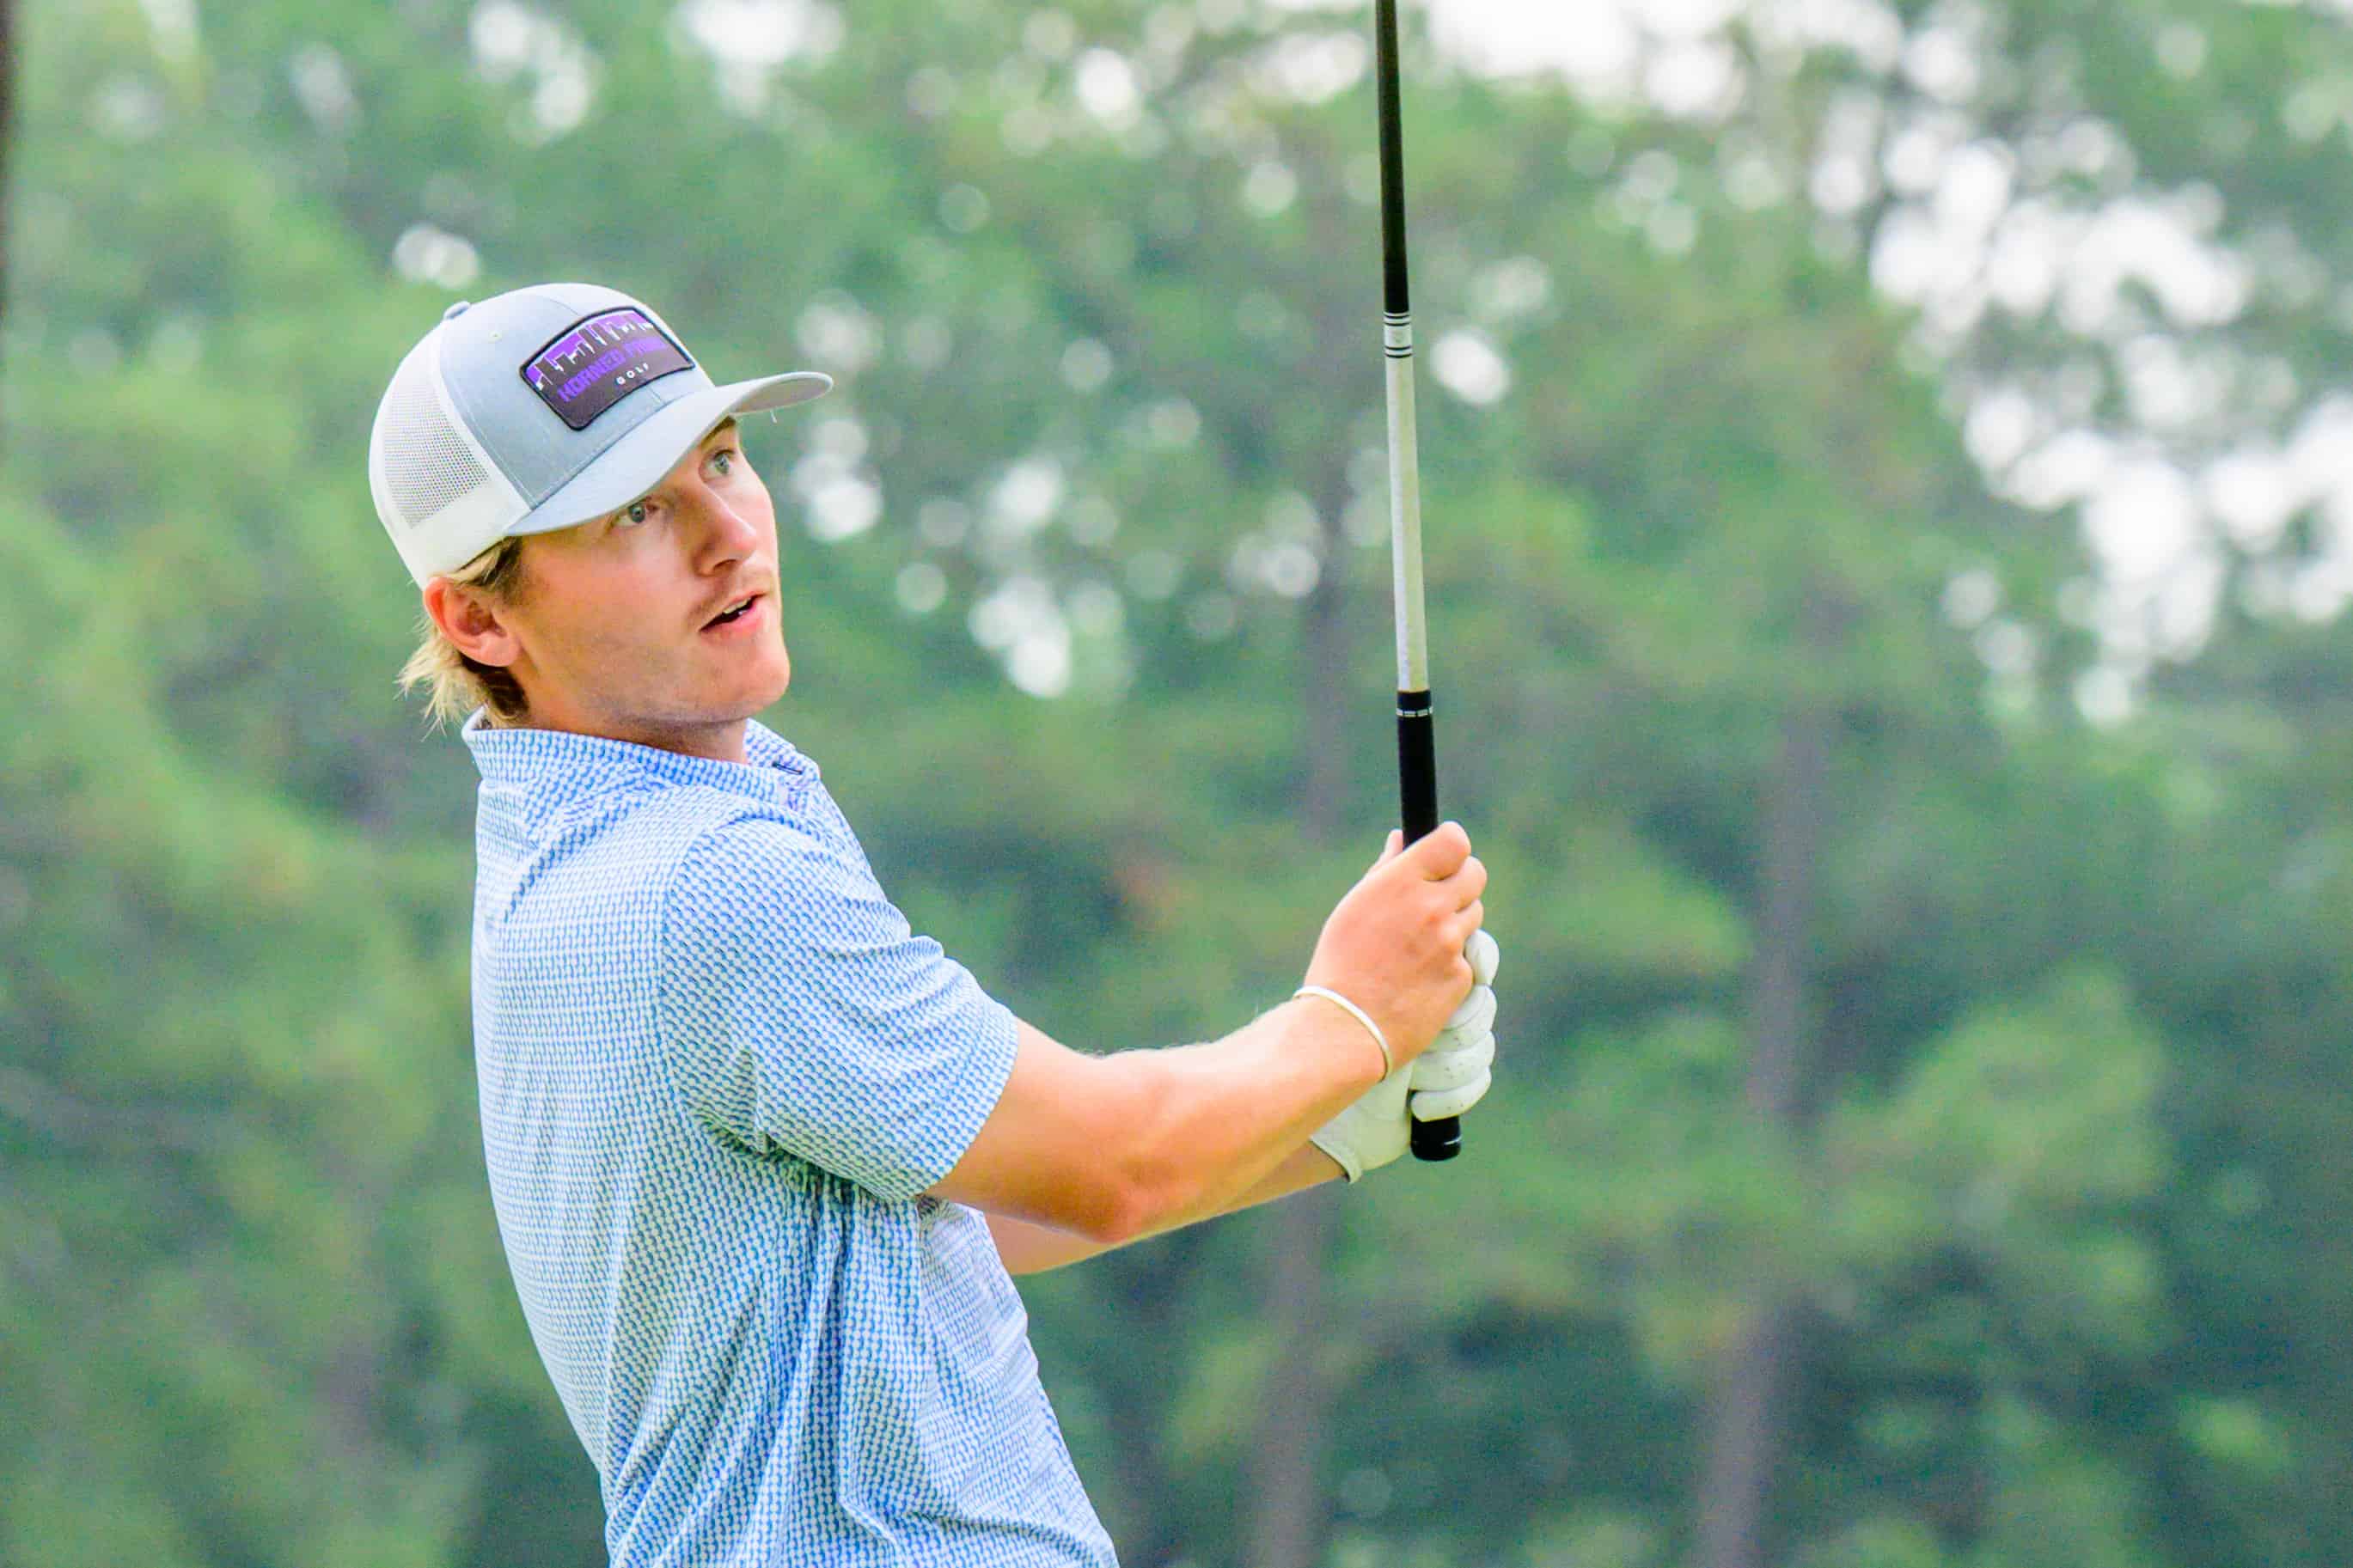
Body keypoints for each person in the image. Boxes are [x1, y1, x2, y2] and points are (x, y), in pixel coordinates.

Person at [368, 281, 1500, 1566]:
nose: (728, 535)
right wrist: (1344, 1019)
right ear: (476, 616)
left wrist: (1331, 1119)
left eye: (724, 463)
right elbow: (1113, 1165)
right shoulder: (711, 880)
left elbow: (933, 1217)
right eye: (638, 511)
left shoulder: (572, 843)